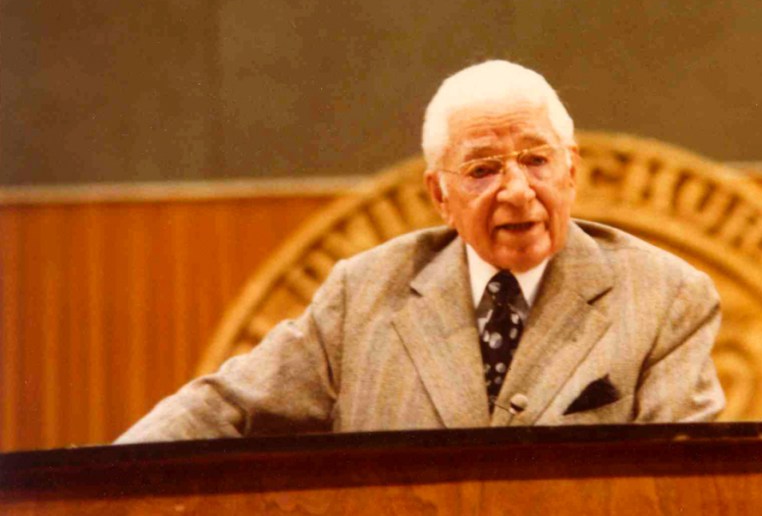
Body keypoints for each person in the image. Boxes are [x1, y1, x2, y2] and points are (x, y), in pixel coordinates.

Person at [116, 60, 724, 443]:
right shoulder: (364, 294)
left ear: (571, 172)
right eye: (483, 169)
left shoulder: (668, 298)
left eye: (537, 160)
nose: (517, 191)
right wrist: (95, 486)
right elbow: (226, 408)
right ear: (440, 194)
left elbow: (682, 486)